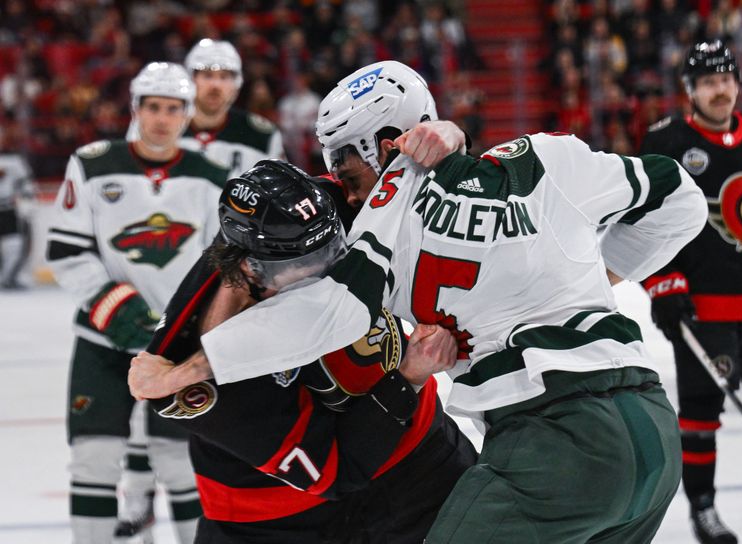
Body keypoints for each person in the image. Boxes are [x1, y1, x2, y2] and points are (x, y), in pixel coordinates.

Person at [130, 60, 708, 542]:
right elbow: (682, 195)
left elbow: (330, 312)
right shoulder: (550, 155)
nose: (339, 181)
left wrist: (185, 368)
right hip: (651, 424)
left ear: (383, 147)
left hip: (547, 439)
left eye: (343, 162)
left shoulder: (382, 224)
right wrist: (609, 274)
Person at [128, 160, 477, 543]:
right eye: (305, 265)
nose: (327, 269)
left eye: (331, 248)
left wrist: (435, 140)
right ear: (253, 272)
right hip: (276, 524)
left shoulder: (306, 219)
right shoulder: (208, 391)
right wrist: (407, 379)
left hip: (419, 463)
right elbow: (339, 467)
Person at [45, 62, 229, 544]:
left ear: (187, 114)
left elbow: (223, 265)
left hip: (175, 348)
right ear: (135, 108)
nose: (162, 118)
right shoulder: (91, 163)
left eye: (173, 108)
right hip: (101, 343)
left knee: (180, 462)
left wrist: (193, 328)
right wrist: (113, 307)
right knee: (93, 458)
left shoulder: (212, 176)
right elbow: (66, 251)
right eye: (153, 107)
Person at [117, 38, 287, 541]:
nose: (214, 82)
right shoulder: (158, 122)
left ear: (237, 84)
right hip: (171, 277)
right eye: (204, 72)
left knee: (220, 388)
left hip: (235, 277)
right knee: (141, 391)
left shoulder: (260, 134)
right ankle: (140, 488)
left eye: (225, 74)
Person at [639, 40, 742, 544]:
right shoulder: (665, 142)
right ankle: (704, 511)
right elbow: (641, 226)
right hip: (702, 307)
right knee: (702, 414)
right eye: (709, 82)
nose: (721, 90)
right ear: (690, 90)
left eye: (727, 79)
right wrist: (662, 284)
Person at [181, 38, 285, 175]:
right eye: (207, 75)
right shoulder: (160, 129)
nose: (215, 86)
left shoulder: (262, 136)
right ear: (190, 80)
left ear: (237, 84)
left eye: (224, 77)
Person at [0, 136, 34, 289]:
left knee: (14, 247)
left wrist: (27, 198)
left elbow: (26, 184)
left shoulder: (14, 159)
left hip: (8, 209)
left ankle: (8, 278)